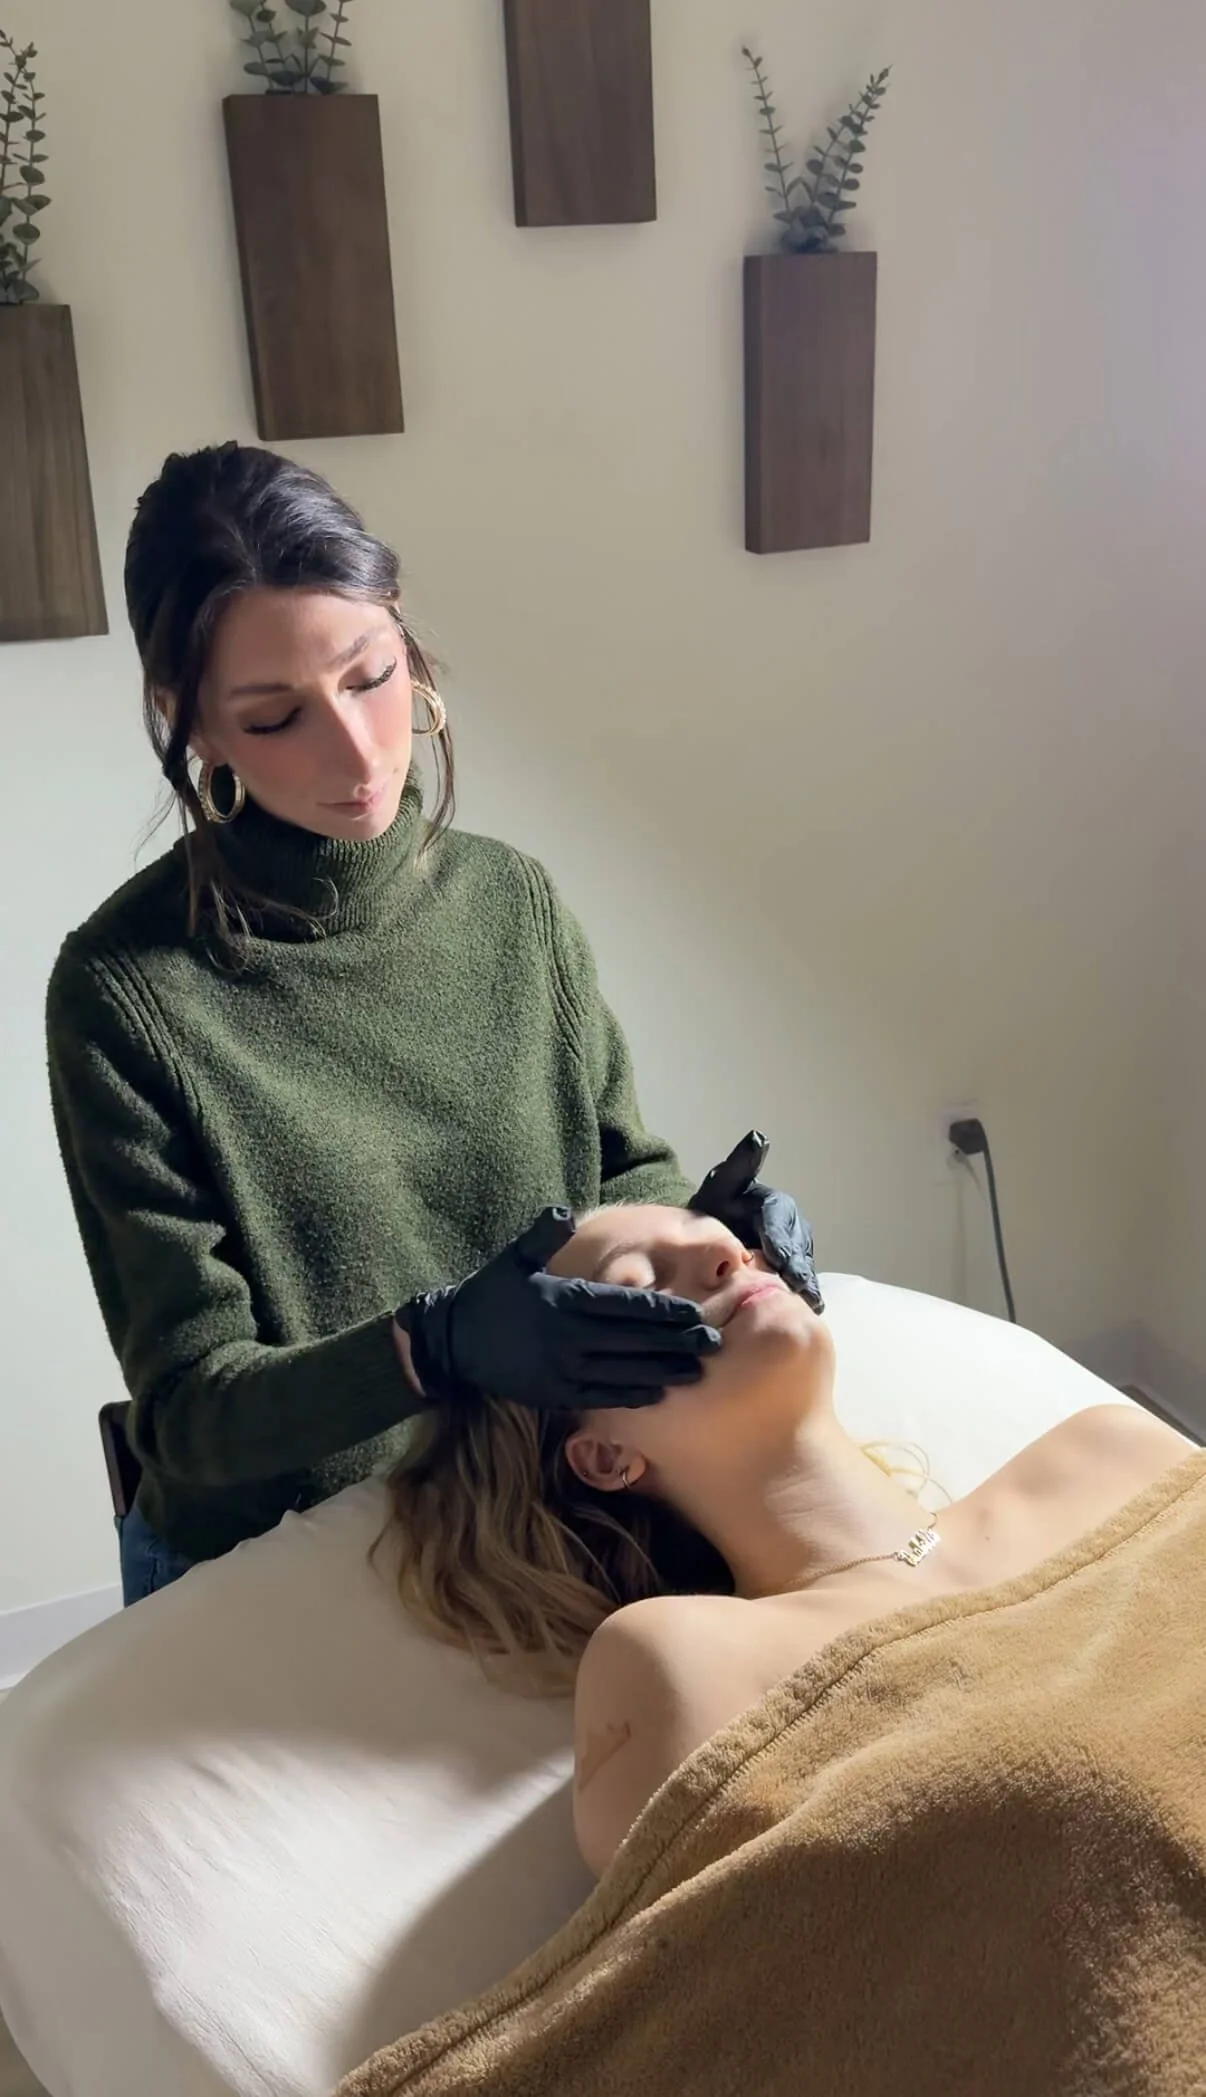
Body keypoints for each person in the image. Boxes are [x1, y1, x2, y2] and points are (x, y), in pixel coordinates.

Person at [46, 443, 820, 1608]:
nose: (354, 752)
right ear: (189, 722)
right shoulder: (127, 995)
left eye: (369, 677)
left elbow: (618, 1174)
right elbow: (192, 1416)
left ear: (402, 633)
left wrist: (705, 1225)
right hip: (284, 1561)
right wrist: (429, 1347)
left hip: (531, 1512)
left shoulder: (514, 904)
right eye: (274, 717)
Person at [382, 1200, 1192, 1877]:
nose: (726, 1254)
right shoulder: (682, 1662)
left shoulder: (1107, 1450)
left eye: (716, 1231)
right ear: (603, 1454)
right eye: (640, 1281)